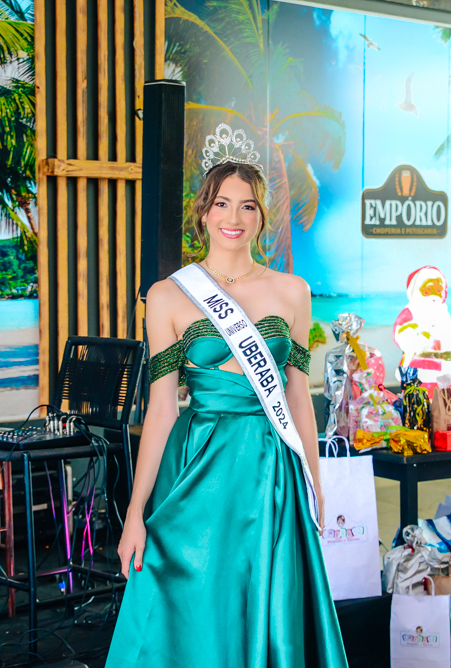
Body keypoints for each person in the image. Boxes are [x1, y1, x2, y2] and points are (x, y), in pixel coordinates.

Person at [105, 130, 348, 667]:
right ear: (203, 212)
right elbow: (162, 407)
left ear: (262, 216)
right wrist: (135, 511)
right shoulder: (167, 295)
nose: (233, 217)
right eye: (221, 203)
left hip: (272, 467)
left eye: (247, 205)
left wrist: (316, 485)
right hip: (200, 465)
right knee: (194, 605)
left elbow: (297, 396)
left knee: (269, 599)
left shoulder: (293, 291)